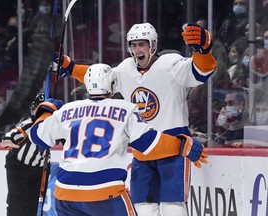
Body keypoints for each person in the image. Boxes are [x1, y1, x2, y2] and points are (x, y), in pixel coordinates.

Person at [53, 22, 216, 215]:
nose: (137, 49)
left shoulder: (171, 64)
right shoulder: (125, 69)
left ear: (153, 45)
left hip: (173, 148)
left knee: (173, 208)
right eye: (133, 45)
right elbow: (100, 78)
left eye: (142, 44)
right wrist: (70, 67)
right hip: (142, 151)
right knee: (144, 209)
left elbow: (201, 71)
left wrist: (203, 51)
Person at [29, 63, 208, 216]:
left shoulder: (67, 110)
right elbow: (150, 144)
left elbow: (37, 136)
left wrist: (46, 110)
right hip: (104, 190)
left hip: (65, 192)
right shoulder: (126, 109)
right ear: (112, 85)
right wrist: (182, 144)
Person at [0, 93, 50, 216]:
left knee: (35, 205)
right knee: (16, 204)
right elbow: (15, 133)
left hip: (40, 168)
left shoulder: (53, 125)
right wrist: (8, 140)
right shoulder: (28, 124)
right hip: (18, 165)